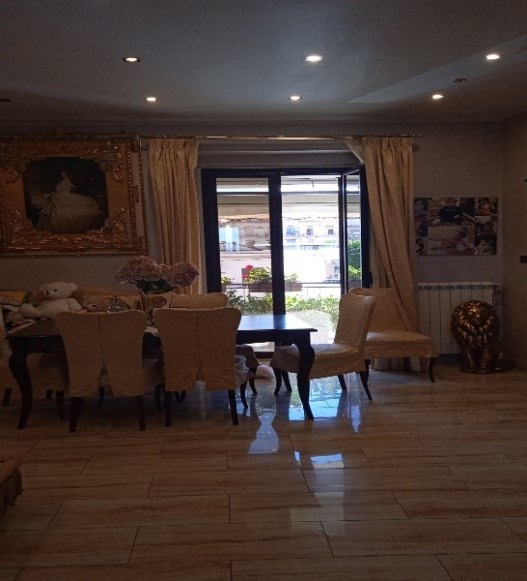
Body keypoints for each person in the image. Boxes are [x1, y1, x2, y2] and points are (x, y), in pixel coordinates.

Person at [36, 170, 105, 233]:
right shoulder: (64, 181)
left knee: (66, 209)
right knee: (56, 209)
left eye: (64, 173)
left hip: (64, 196)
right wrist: (52, 194)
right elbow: (62, 189)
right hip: (61, 196)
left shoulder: (66, 180)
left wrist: (52, 194)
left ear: (67, 174)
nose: (62, 175)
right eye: (61, 174)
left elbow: (63, 189)